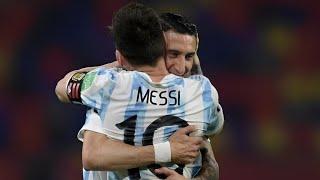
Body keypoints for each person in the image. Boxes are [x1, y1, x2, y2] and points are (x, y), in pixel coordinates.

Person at [56, 3, 223, 180]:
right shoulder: (203, 94)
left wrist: (119, 65)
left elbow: (63, 87)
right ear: (158, 49)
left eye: (189, 56)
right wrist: (168, 151)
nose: (182, 68)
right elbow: (94, 157)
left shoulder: (106, 86)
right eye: (173, 54)